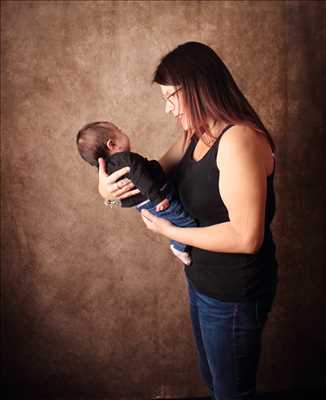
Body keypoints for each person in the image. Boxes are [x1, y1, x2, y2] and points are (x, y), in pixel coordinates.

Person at [97, 41, 278, 400]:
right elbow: (151, 178)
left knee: (231, 393)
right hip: (202, 281)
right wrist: (108, 192)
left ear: (197, 88)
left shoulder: (239, 140)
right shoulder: (195, 134)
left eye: (171, 98)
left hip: (233, 291)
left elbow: (246, 238)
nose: (167, 110)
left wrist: (170, 231)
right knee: (213, 382)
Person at [76, 120, 197, 265]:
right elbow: (143, 179)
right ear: (112, 144)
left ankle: (177, 241)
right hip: (157, 200)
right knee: (186, 223)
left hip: (144, 206)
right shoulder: (127, 160)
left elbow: (125, 198)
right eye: (119, 131)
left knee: (175, 221)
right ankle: (179, 247)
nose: (123, 132)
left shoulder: (110, 169)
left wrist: (109, 201)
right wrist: (158, 198)